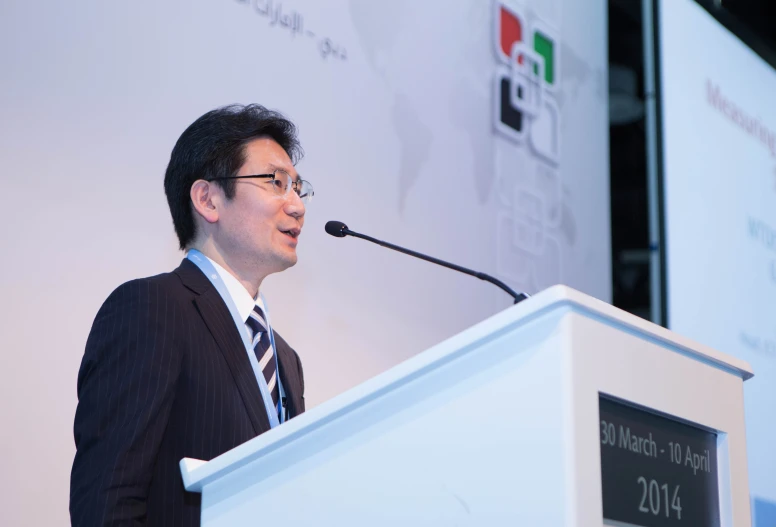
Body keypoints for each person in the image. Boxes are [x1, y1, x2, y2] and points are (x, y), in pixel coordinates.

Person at [69, 104, 312, 526]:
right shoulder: (152, 309)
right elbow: (108, 501)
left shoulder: (285, 360)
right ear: (208, 199)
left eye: (298, 187)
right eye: (276, 182)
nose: (297, 206)